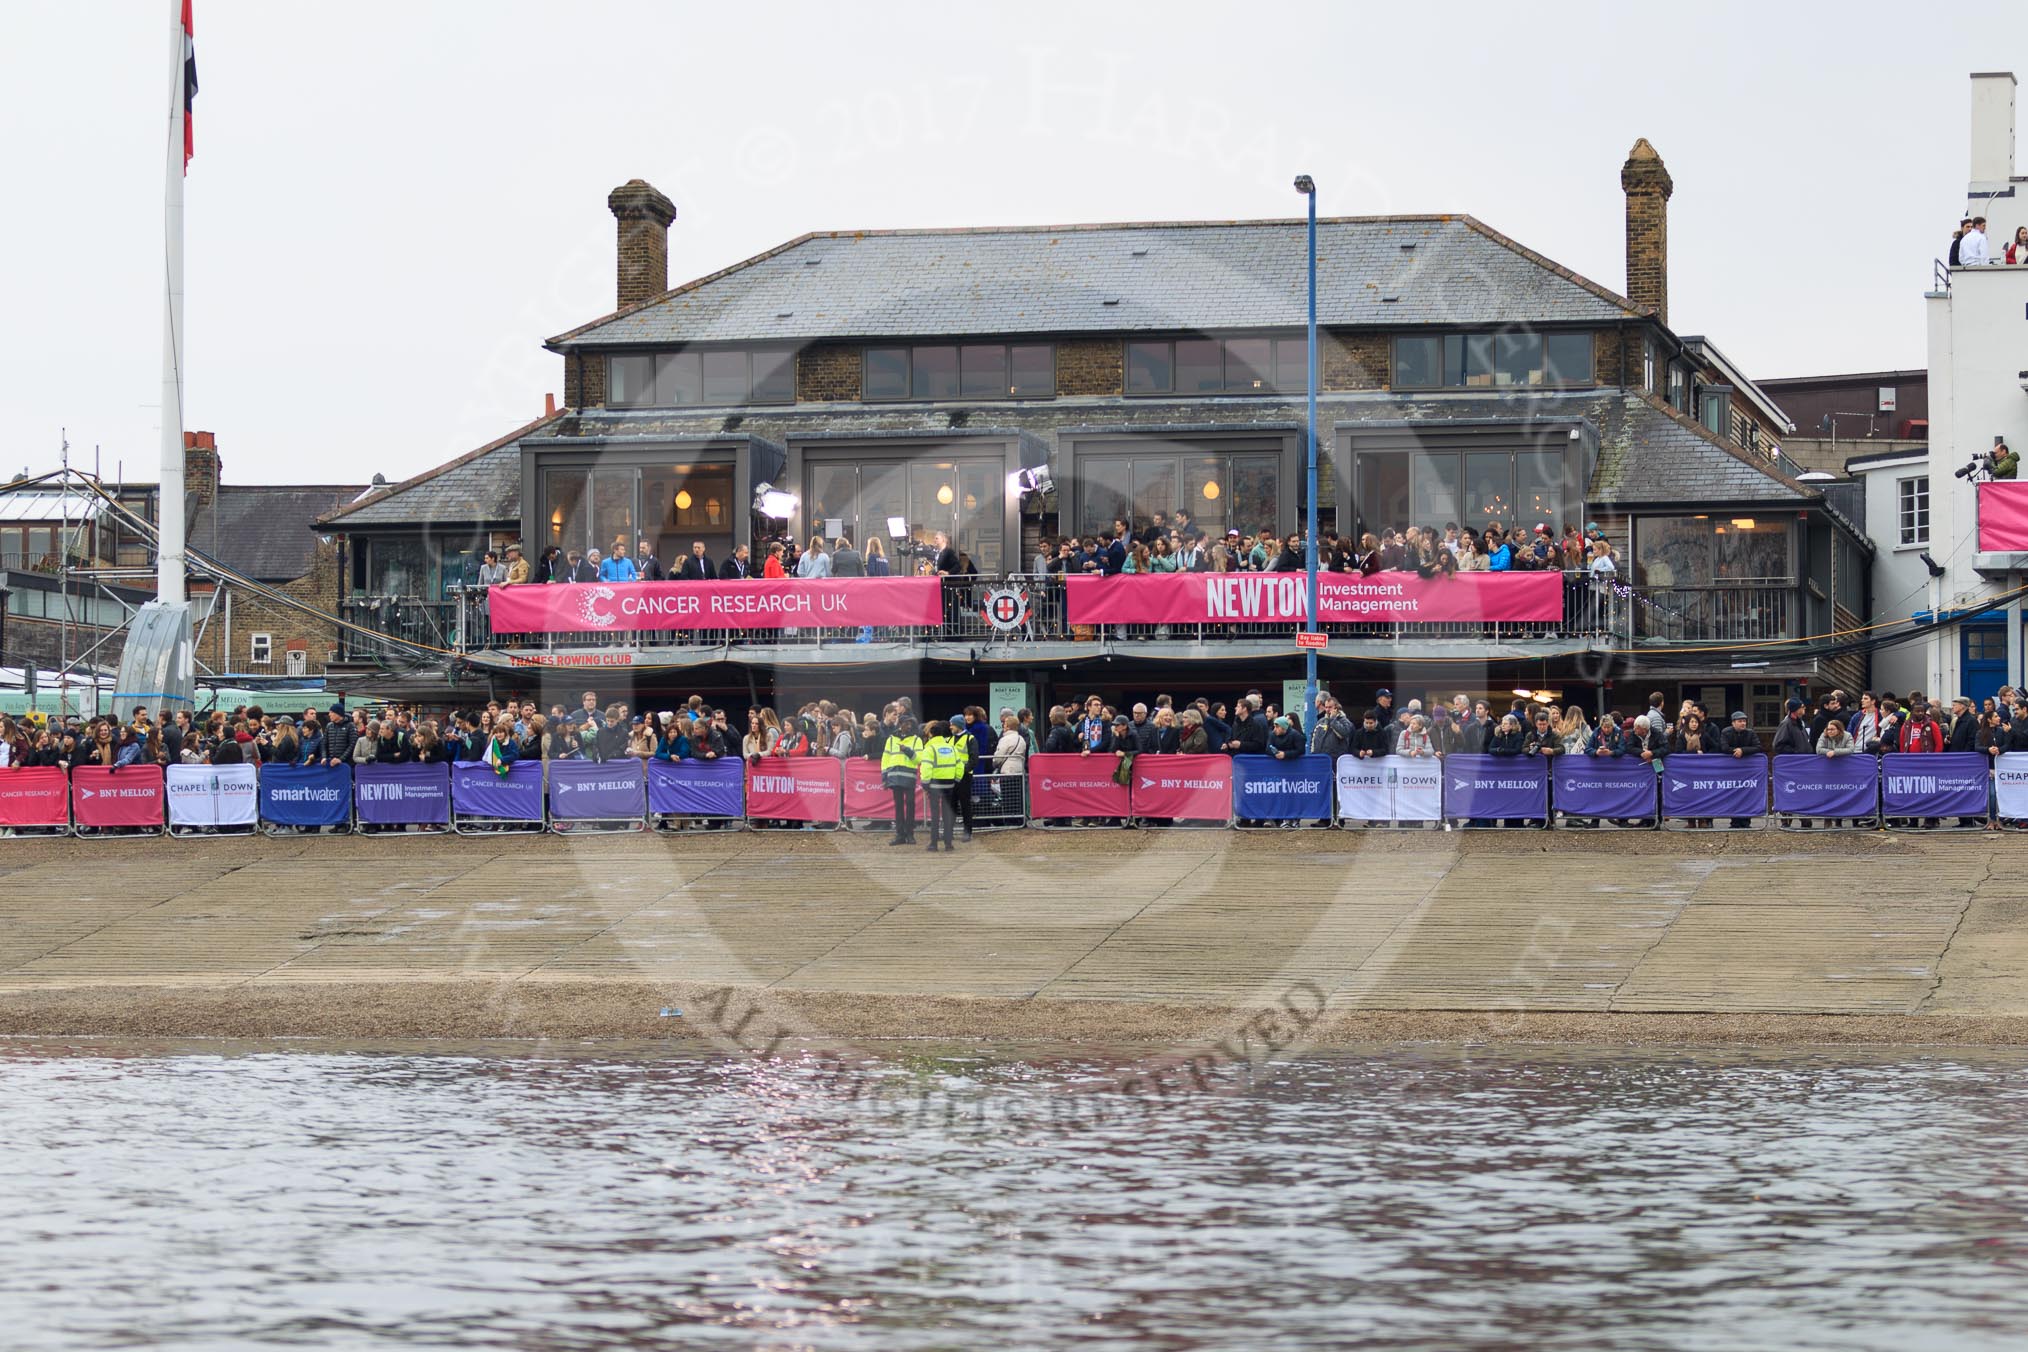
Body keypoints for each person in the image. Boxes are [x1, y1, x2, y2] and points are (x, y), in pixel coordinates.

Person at [918, 719, 964, 851]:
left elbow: (926, 768)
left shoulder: (929, 748)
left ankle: (933, 844)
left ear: (931, 734)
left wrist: (925, 784)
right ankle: (948, 844)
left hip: (934, 785)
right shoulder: (951, 748)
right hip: (949, 785)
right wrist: (956, 780)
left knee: (935, 815)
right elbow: (959, 765)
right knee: (947, 815)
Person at [1719, 711, 1762, 830]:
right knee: (1733, 795)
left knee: (1747, 795)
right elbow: (1724, 747)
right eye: (1740, 721)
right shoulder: (1726, 732)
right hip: (1731, 770)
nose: (1743, 723)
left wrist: (1743, 750)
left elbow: (1758, 747)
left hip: (1747, 770)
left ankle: (1746, 821)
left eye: (1744, 721)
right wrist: (1735, 751)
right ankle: (1735, 821)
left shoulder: (1750, 733)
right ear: (1733, 723)